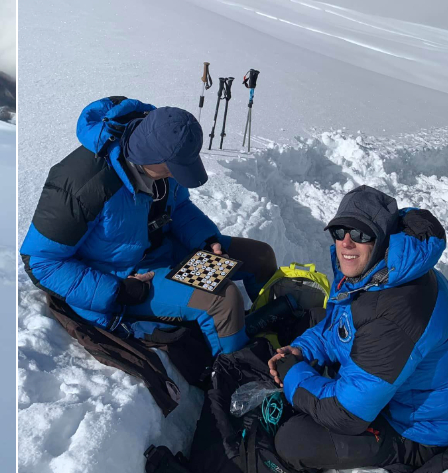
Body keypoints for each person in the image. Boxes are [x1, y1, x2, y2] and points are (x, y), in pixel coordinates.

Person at [19, 97, 278, 361]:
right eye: (173, 169)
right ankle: (238, 375)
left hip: (166, 254)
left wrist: (207, 238)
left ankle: (267, 328)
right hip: (128, 278)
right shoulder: (83, 185)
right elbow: (40, 261)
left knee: (260, 256)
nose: (177, 176)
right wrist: (118, 290)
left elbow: (179, 208)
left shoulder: (162, 154)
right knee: (222, 299)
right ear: (150, 157)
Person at [268, 185, 448, 473]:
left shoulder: (395, 311)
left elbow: (346, 414)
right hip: (399, 388)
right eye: (339, 231)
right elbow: (340, 325)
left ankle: (402, 455)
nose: (346, 243)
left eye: (360, 235)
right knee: (312, 320)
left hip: (420, 430)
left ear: (382, 239)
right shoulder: (385, 272)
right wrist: (302, 351)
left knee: (294, 441)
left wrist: (292, 375)